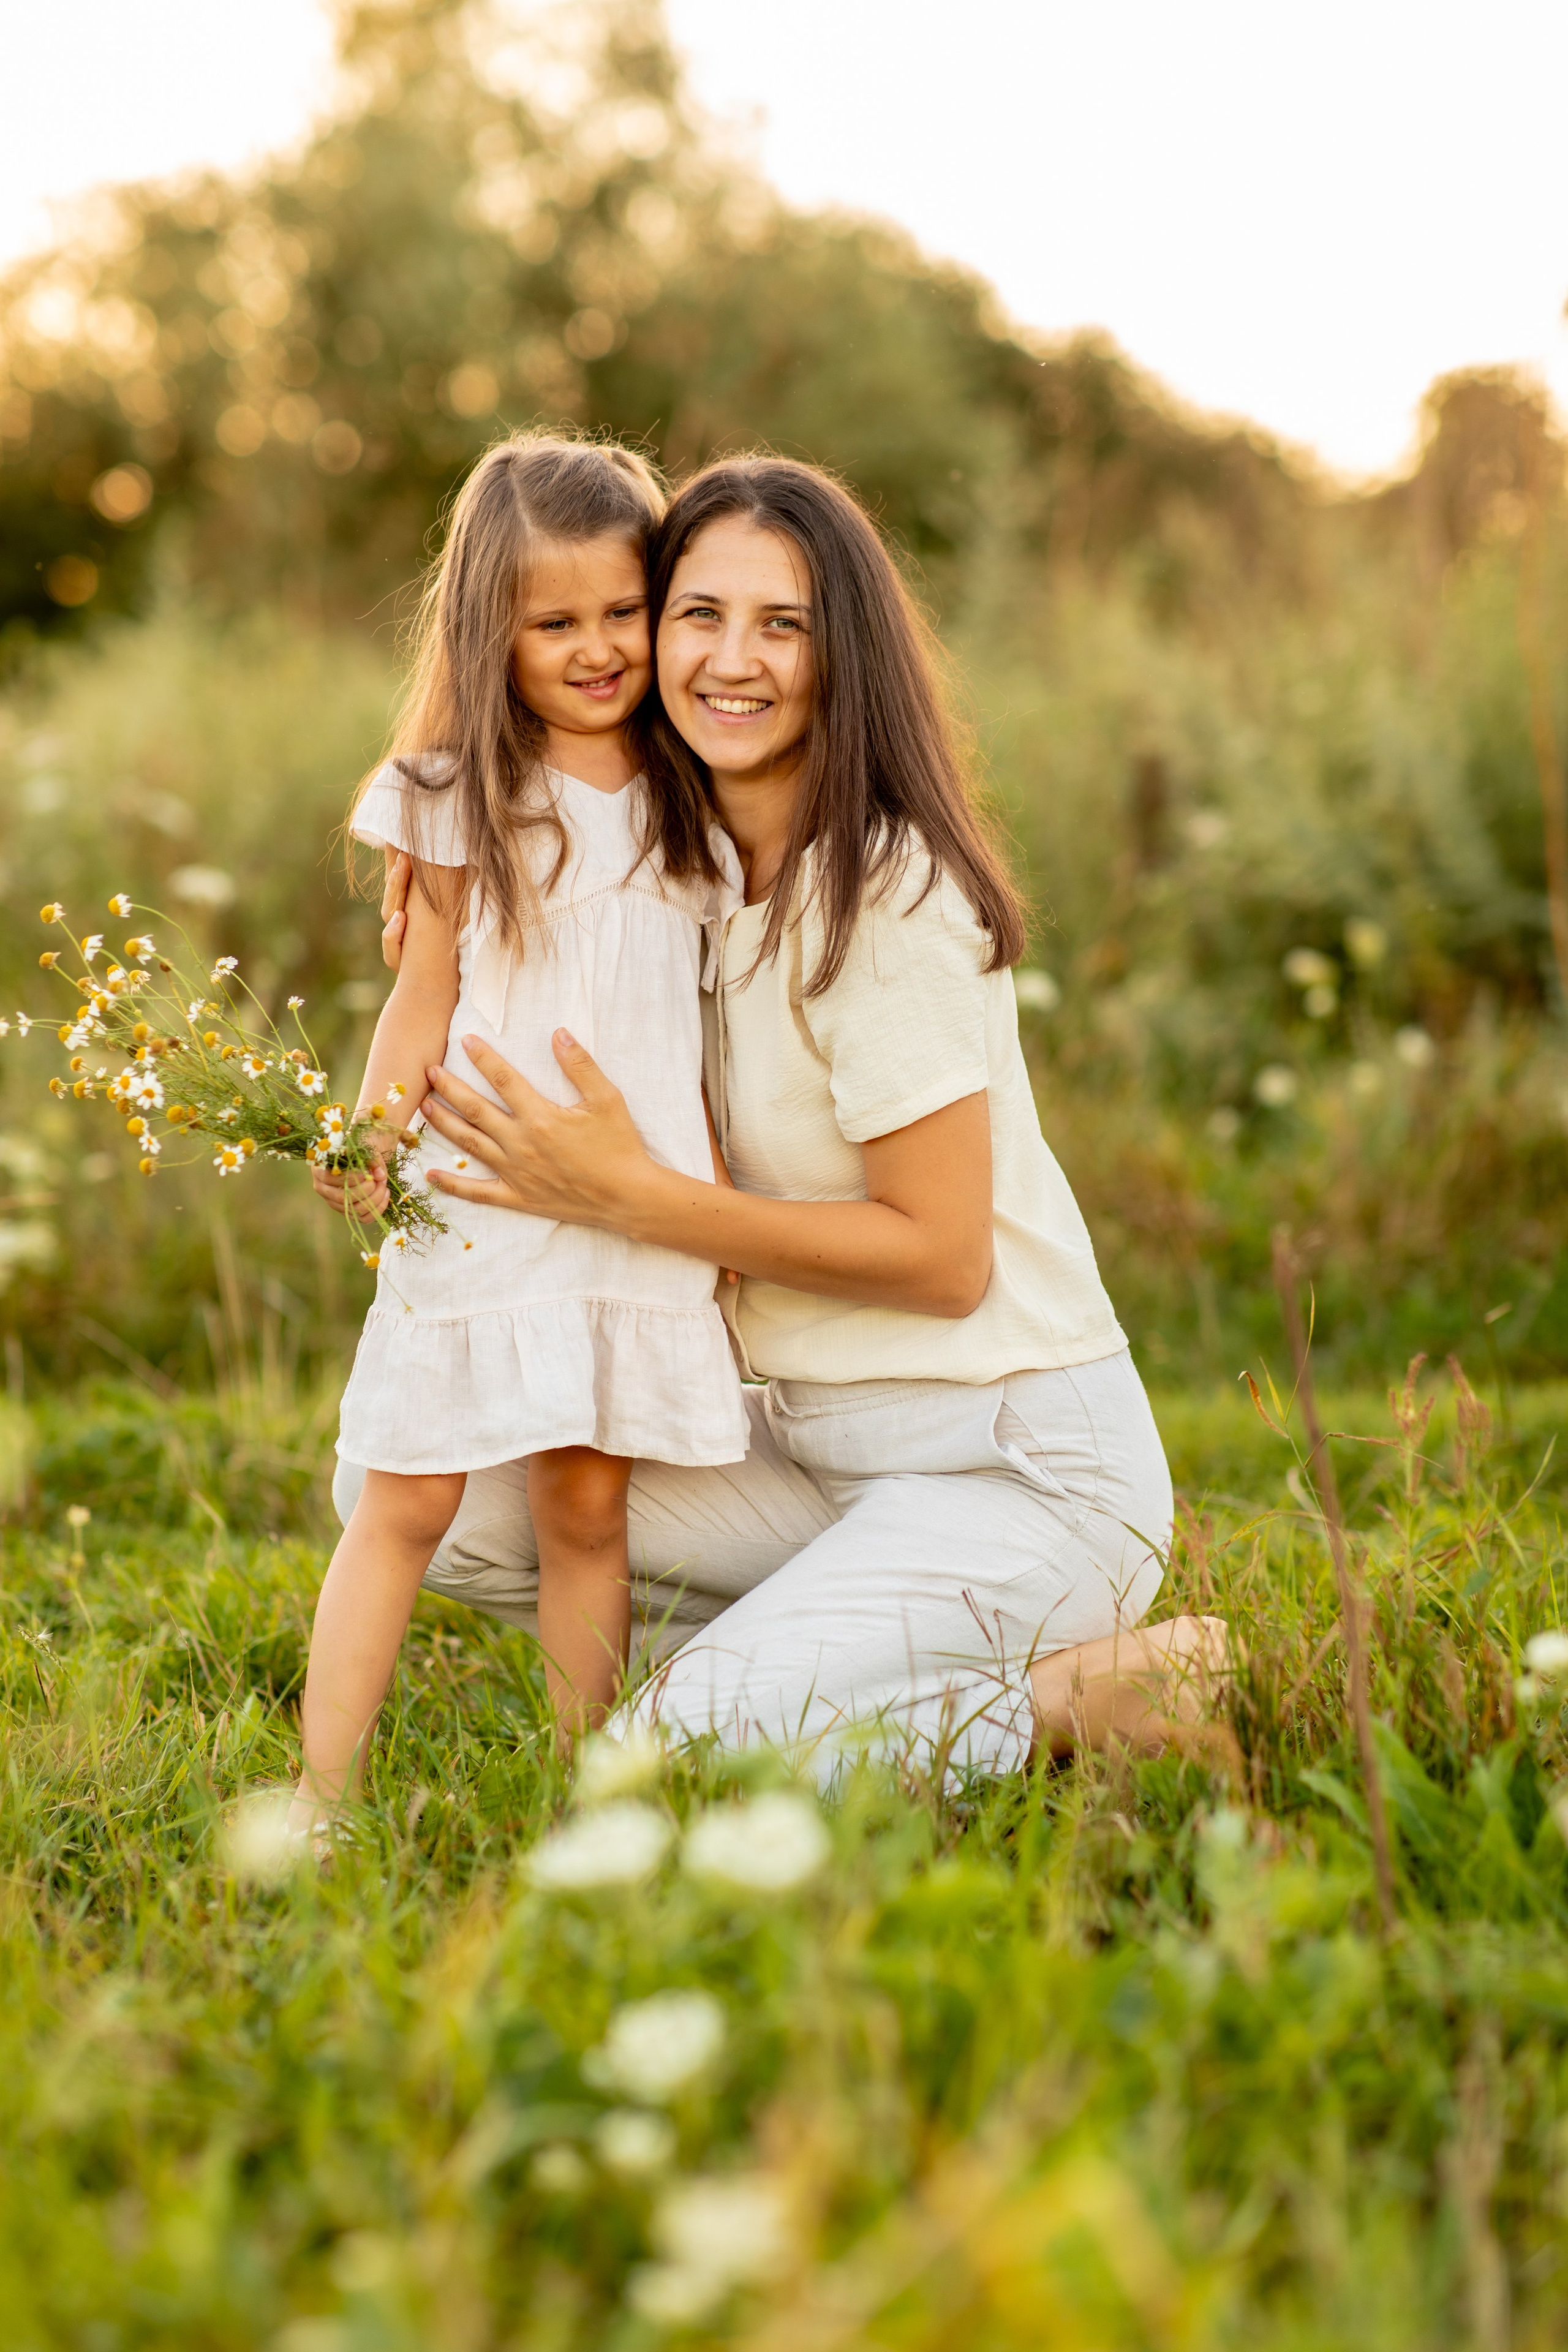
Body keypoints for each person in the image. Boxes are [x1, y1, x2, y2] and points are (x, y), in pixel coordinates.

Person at [362, 456, 1227, 1774]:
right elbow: (505, 830)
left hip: (1011, 1465)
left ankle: (1088, 1696)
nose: (730, 660)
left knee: (669, 1765)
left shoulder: (884, 894)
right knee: (457, 1500)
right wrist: (443, 883)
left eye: (784, 625)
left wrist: (631, 1199)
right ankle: (847, 1653)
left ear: (845, 655)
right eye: (697, 613)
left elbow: (944, 1263)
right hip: (816, 1453)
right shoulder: (678, 862)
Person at [295, 432, 748, 1826]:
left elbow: (709, 1027)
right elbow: (422, 995)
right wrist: (371, 1132)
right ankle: (320, 1792)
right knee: (409, 1500)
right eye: (555, 623)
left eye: (623, 612)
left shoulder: (693, 797)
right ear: (490, 629)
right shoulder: (452, 798)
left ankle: (579, 1787)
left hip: (632, 1208)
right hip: (484, 1195)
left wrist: (717, 1203)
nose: (597, 647)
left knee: (585, 1510)